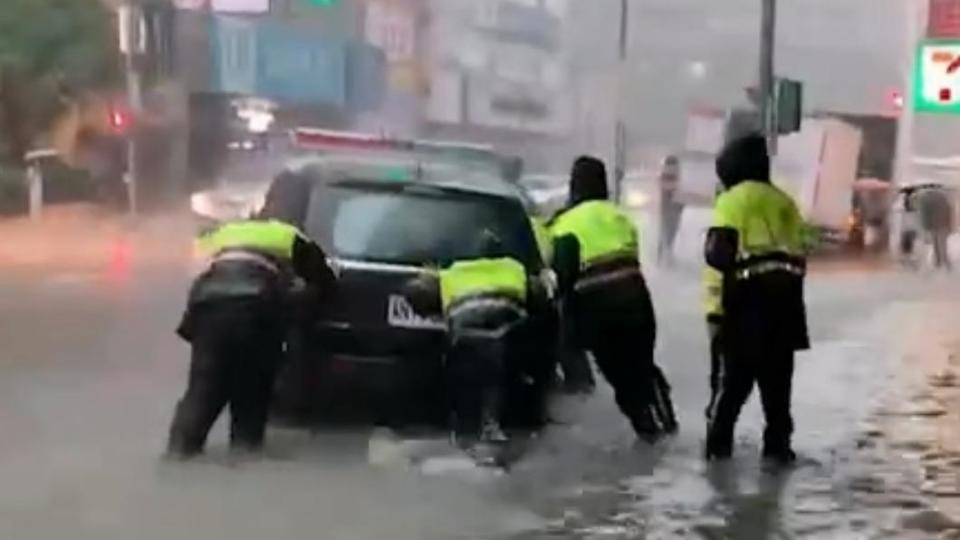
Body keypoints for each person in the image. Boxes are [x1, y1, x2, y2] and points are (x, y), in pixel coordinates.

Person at [166, 217, 337, 459]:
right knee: (252, 391)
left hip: (210, 309)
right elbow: (324, 280)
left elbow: (195, 278)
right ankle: (244, 458)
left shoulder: (219, 234)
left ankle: (178, 454)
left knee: (202, 390)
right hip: (258, 310)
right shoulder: (287, 235)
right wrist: (300, 309)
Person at [551, 156, 677, 442]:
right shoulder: (620, 217)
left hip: (599, 311)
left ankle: (650, 436)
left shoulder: (564, 224)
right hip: (638, 303)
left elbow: (563, 278)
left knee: (622, 381)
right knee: (643, 367)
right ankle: (668, 426)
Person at [703, 134, 809, 465]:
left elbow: (719, 253)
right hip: (786, 309)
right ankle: (777, 456)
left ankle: (717, 459)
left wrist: (715, 311)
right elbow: (802, 252)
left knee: (730, 393)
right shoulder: (785, 202)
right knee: (777, 397)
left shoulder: (732, 200)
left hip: (745, 310)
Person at [407, 232, 534, 459]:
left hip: (465, 335)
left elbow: (418, 292)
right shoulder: (515, 268)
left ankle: (464, 430)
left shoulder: (452, 272)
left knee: (464, 381)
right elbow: (538, 295)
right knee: (497, 379)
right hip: (504, 335)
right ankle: (492, 426)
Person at [915, 185, 954, 270]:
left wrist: (925, 227)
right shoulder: (943, 197)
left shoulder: (924, 199)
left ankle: (938, 262)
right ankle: (946, 263)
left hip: (932, 225)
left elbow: (924, 215)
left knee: (935, 244)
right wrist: (950, 226)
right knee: (942, 244)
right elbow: (949, 211)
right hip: (943, 224)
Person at [658, 154, 685, 265]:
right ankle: (664, 255)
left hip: (669, 208)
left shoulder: (664, 175)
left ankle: (662, 255)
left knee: (666, 231)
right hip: (671, 208)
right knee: (669, 231)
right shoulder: (674, 176)